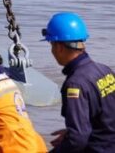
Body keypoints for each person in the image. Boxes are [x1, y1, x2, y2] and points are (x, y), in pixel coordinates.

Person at [42, 12, 115, 152]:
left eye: (51, 45)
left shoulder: (75, 84)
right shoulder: (104, 70)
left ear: (59, 47)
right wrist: (75, 131)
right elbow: (106, 116)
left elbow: (78, 139)